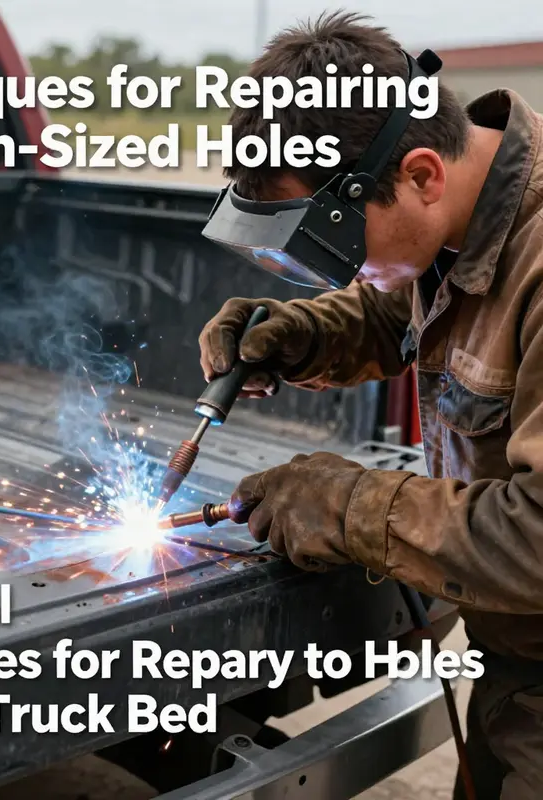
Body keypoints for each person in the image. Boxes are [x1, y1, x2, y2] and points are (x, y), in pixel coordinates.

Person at [197, 10, 543, 800]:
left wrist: (345, 504)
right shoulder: (462, 205)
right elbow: (422, 310)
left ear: (421, 173)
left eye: (337, 249)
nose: (334, 275)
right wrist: (304, 333)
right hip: (511, 659)